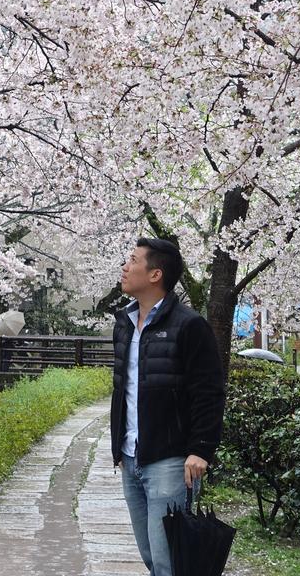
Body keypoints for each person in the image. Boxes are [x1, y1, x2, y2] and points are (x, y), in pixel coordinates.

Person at [112, 238, 226, 576]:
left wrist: (201, 450)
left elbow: (209, 392)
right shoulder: (124, 324)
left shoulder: (189, 325)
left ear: (155, 274)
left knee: (169, 561)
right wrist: (119, 443)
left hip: (171, 460)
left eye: (132, 260)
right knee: (151, 555)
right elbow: (124, 389)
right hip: (132, 456)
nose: (125, 266)